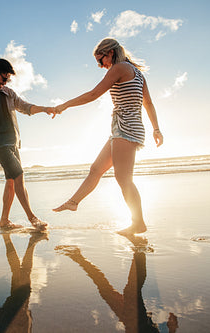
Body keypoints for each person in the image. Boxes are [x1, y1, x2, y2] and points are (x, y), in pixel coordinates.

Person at [52, 38, 163, 235]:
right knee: (96, 169)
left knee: (124, 179)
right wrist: (156, 129)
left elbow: (94, 94)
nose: (100, 65)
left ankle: (138, 223)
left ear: (110, 52)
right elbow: (149, 104)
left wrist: (65, 105)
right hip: (125, 128)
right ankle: (73, 202)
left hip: (125, 128)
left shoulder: (119, 68)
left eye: (100, 60)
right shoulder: (137, 73)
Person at [0, 58, 52, 230]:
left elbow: (25, 107)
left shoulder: (8, 93)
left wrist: (44, 108)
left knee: (11, 181)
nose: (5, 83)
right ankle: (33, 218)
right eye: (3, 78)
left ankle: (4, 221)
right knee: (19, 175)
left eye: (7, 80)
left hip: (13, 143)